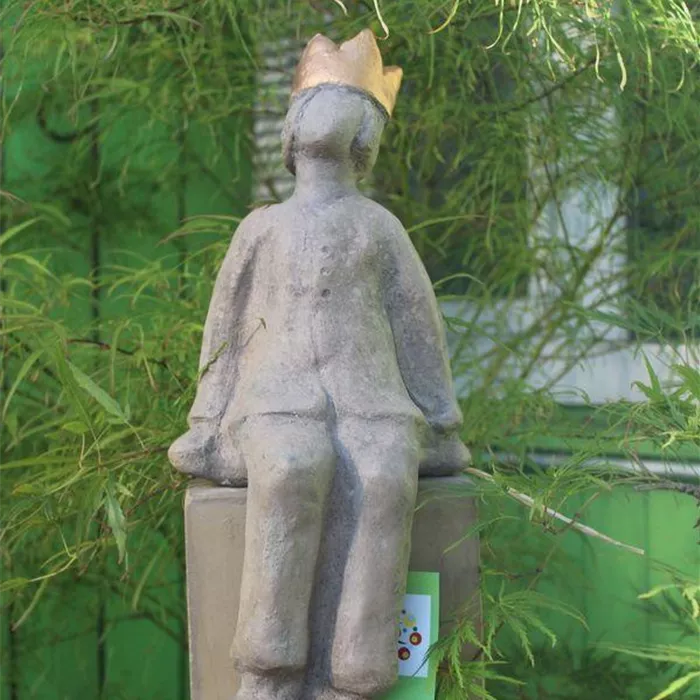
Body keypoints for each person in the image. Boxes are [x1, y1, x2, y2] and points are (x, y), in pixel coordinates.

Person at [169, 29, 469, 700]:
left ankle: (357, 676)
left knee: (386, 476)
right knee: (292, 467)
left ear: (366, 139)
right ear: (292, 131)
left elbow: (418, 326)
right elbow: (225, 326)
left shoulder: (380, 228)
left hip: (373, 403)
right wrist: (206, 421)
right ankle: (268, 669)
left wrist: (441, 420)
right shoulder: (261, 227)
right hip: (275, 403)